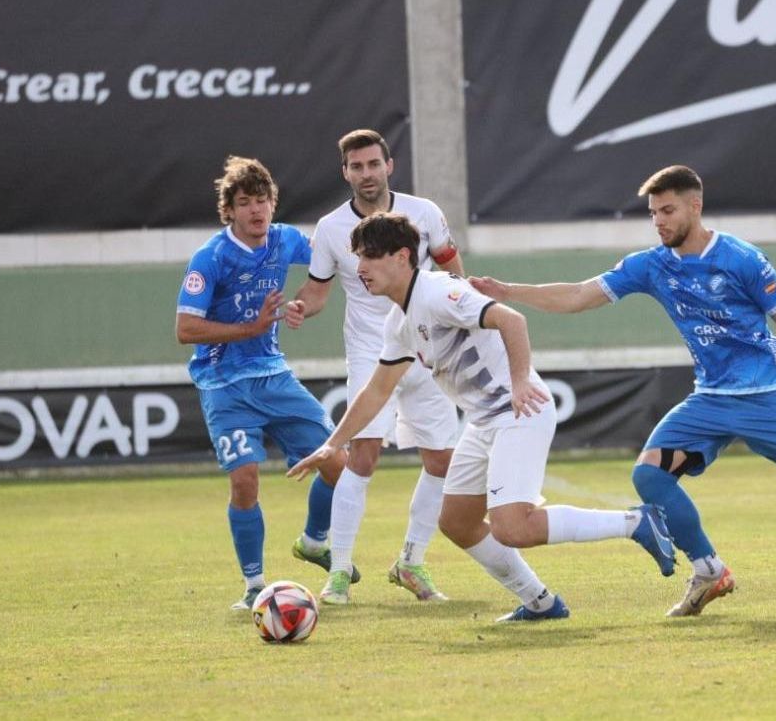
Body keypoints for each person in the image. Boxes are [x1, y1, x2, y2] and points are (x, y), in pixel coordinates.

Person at [468, 165, 776, 617]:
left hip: (769, 395)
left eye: (667, 211)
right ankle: (708, 569)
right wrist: (510, 292)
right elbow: (579, 294)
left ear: (695, 206)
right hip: (710, 400)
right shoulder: (651, 265)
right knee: (650, 477)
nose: (659, 222)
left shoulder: (741, 258)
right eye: (653, 213)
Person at [288, 213, 677, 622]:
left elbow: (512, 319)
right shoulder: (398, 321)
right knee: (457, 521)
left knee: (513, 527)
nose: (360, 268)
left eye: (368, 256)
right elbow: (377, 390)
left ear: (402, 257)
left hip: (519, 412)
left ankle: (636, 522)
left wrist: (522, 380)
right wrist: (333, 445)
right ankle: (540, 602)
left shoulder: (439, 292)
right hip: (485, 422)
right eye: (357, 258)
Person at [293, 129, 464, 605]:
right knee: (363, 453)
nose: (365, 174)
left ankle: (411, 562)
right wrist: (300, 308)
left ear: (389, 166)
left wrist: (465, 311)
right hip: (372, 350)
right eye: (356, 166)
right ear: (345, 172)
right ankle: (340, 571)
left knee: (442, 460)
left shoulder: (426, 212)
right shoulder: (330, 228)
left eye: (373, 164)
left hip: (428, 347)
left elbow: (451, 268)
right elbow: (318, 291)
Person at [175, 156, 348, 611]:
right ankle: (254, 585)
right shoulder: (210, 257)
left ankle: (314, 541)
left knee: (338, 463)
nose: (257, 210)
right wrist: (246, 330)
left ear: (274, 204)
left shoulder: (286, 240)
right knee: (245, 481)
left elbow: (332, 262)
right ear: (229, 210)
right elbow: (185, 329)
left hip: (273, 376)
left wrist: (303, 306)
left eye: (263, 200)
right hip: (223, 383)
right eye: (245, 202)